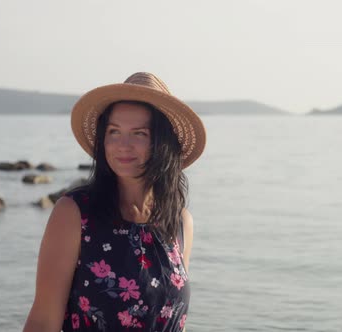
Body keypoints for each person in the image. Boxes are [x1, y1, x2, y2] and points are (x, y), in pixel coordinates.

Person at [23, 72, 206, 332]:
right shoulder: (74, 213)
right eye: (114, 131)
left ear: (163, 142)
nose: (123, 145)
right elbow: (42, 321)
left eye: (139, 133)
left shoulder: (179, 222)